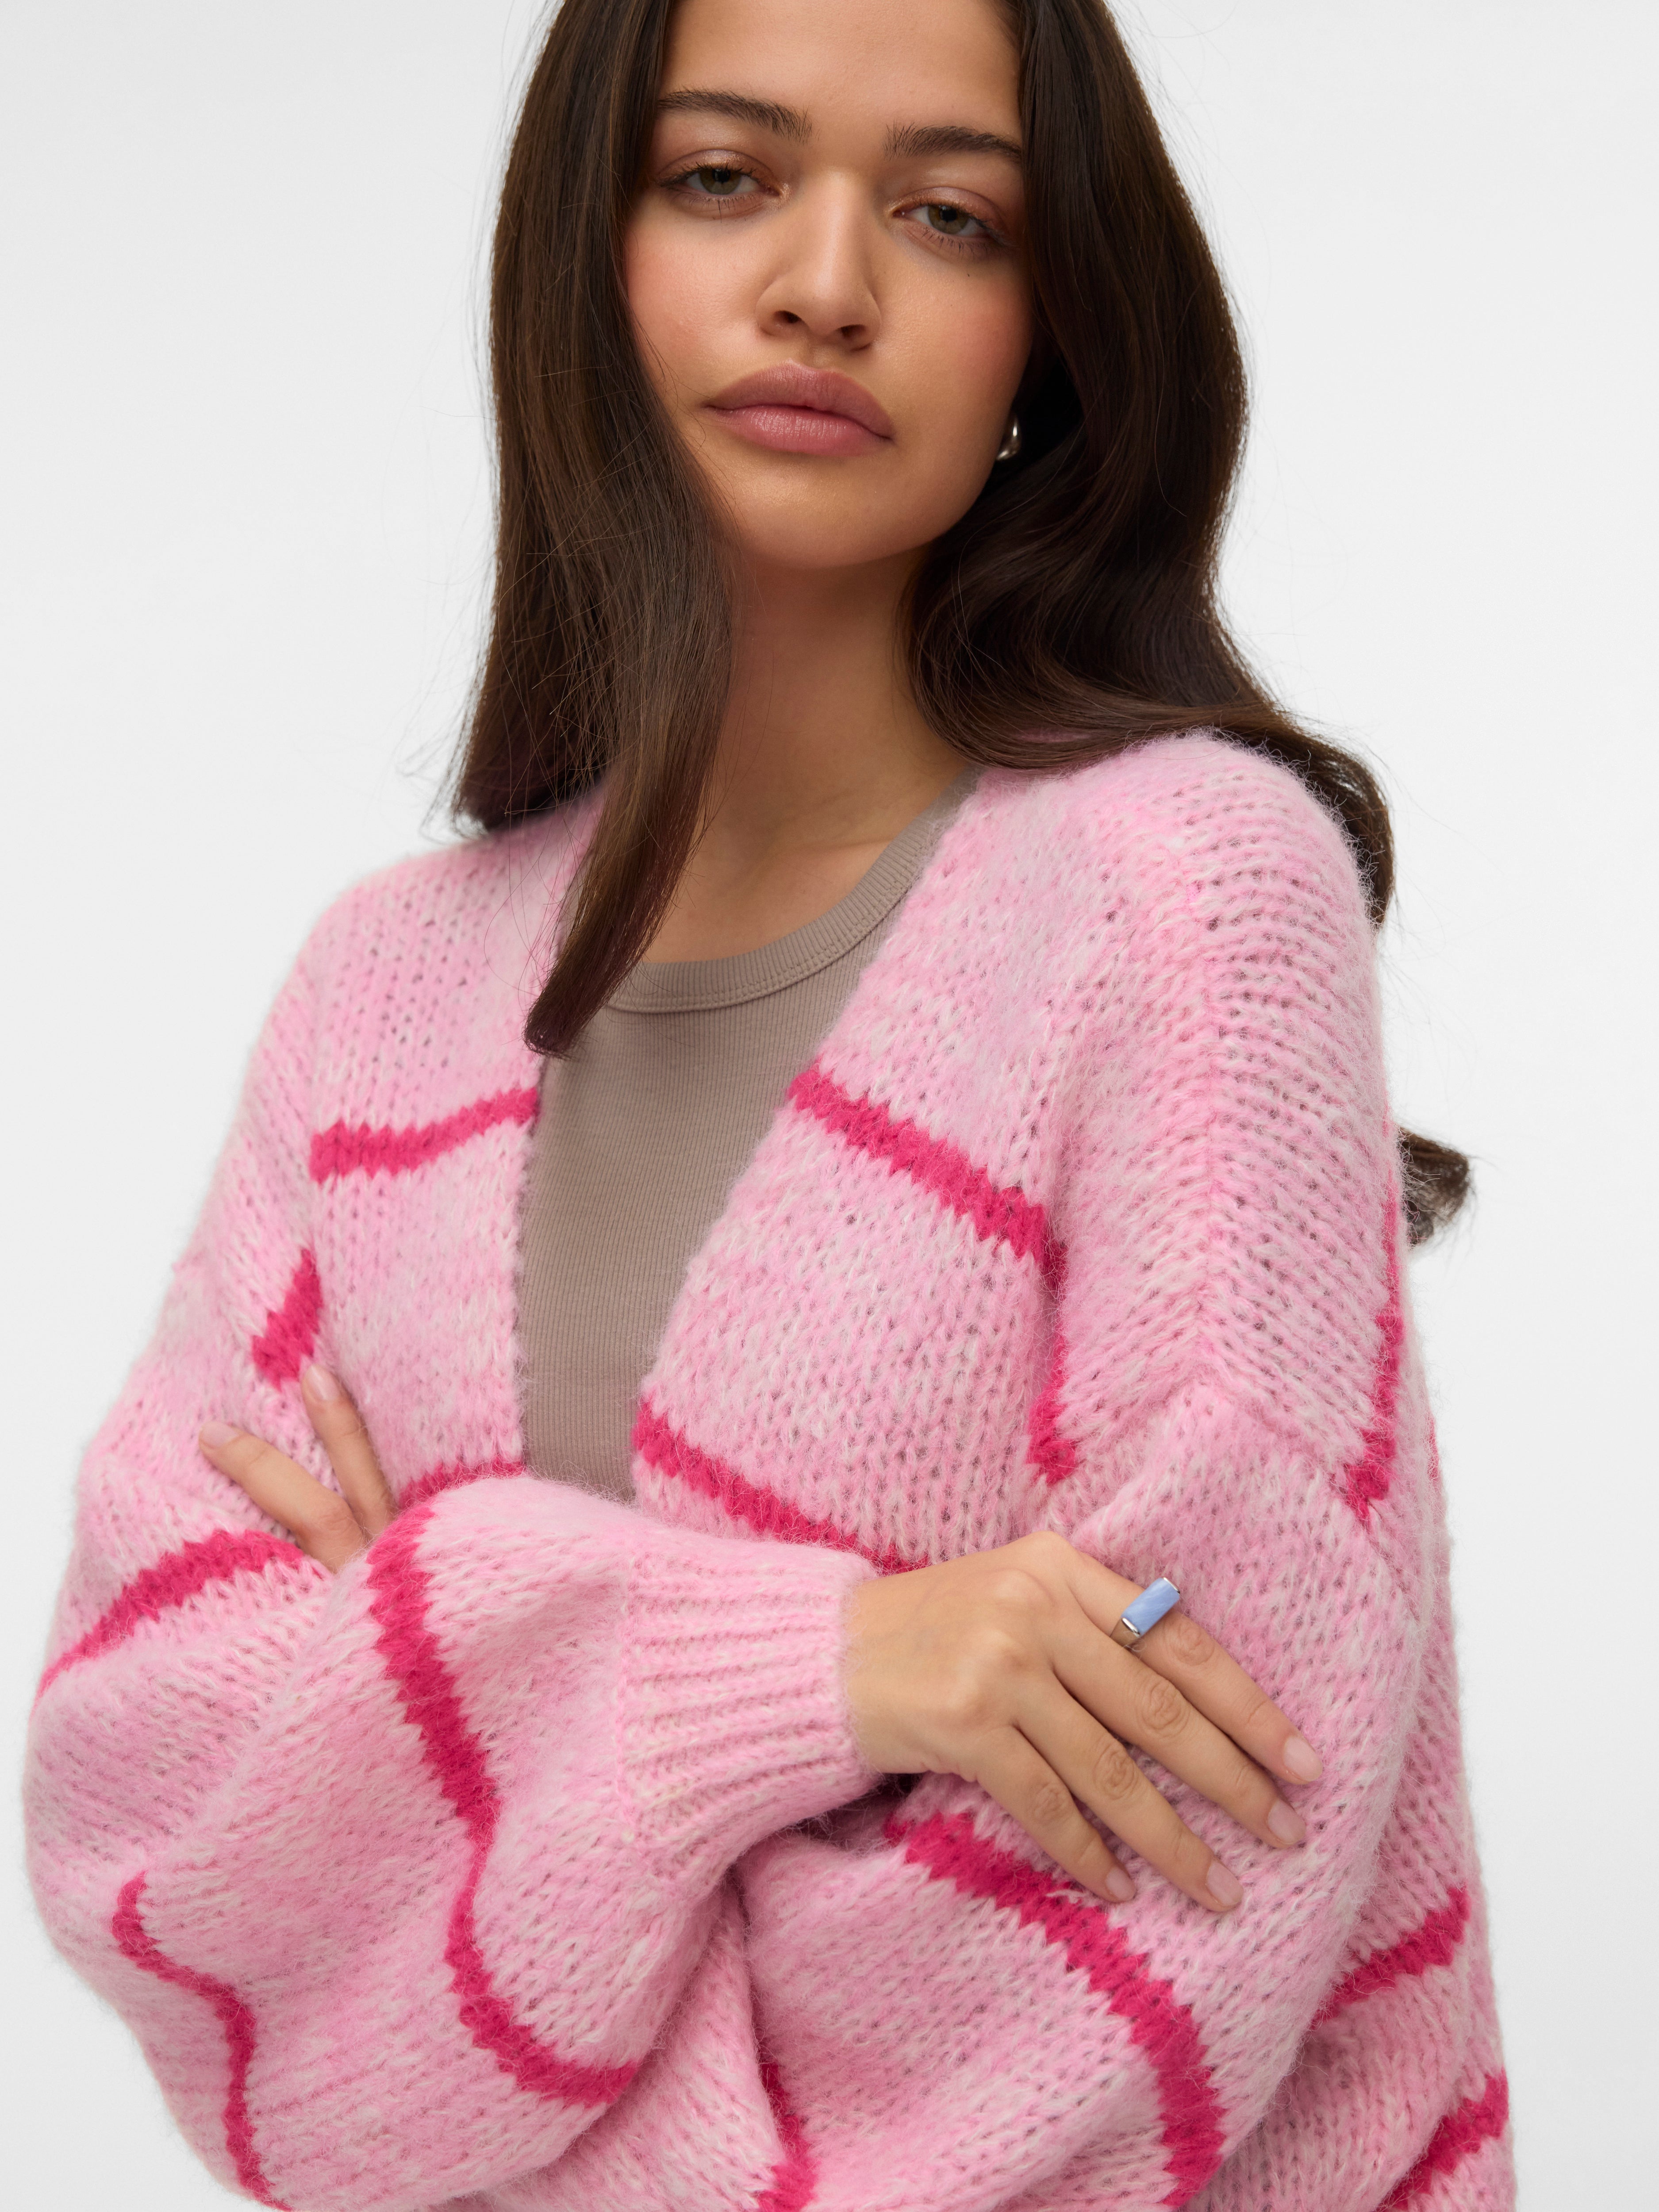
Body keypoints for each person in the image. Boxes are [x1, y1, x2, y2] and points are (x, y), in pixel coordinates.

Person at [24, 0, 1512, 2206]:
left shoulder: (1182, 895)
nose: (825, 282)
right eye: (722, 178)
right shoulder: (383, 994)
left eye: (949, 215)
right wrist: (830, 1663)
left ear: (1048, 332)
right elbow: (156, 1815)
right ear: (586, 251)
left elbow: (1199, 1877)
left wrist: (427, 1671)